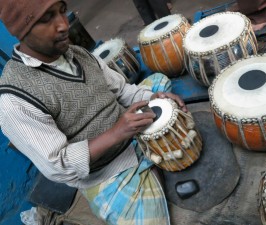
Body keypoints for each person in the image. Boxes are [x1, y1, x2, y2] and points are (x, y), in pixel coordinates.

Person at [0, 0, 187, 224]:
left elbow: (122, 90)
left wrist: (150, 99)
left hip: (127, 126)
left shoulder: (77, 53)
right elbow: (59, 166)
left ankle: (147, 156)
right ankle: (143, 167)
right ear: (22, 31)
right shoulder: (14, 99)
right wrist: (117, 132)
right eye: (47, 18)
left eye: (61, 11)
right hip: (105, 170)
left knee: (159, 84)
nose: (63, 25)